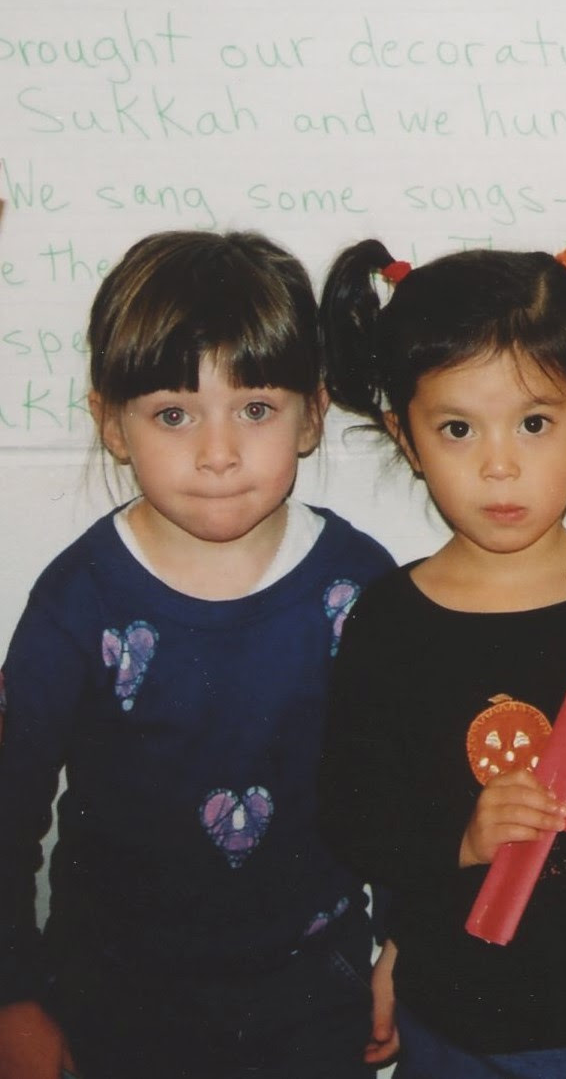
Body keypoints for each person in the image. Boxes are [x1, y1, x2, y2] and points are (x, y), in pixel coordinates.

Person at [316, 232, 566, 1079]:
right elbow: (355, 814)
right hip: (456, 1022)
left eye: (534, 423)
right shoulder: (390, 620)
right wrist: (460, 840)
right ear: (406, 435)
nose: (499, 465)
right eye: (458, 428)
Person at [0, 230, 396, 1079]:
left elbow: (404, 787)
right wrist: (11, 994)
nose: (217, 455)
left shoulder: (359, 585)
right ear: (111, 422)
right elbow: (6, 807)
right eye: (173, 414)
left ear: (313, 416)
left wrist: (405, 944)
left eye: (255, 409)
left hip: (315, 1001)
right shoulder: (78, 601)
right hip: (113, 1003)